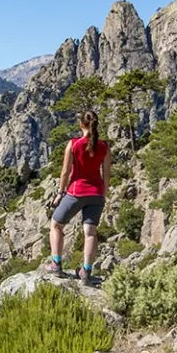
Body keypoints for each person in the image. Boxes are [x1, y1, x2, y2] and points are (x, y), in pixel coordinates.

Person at [46, 109, 109, 281]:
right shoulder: (104, 146)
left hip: (76, 192)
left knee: (56, 225)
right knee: (90, 232)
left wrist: (60, 193)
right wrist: (103, 194)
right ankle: (86, 271)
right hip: (97, 193)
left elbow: (65, 172)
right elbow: (106, 174)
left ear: (81, 124)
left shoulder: (74, 144)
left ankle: (56, 264)